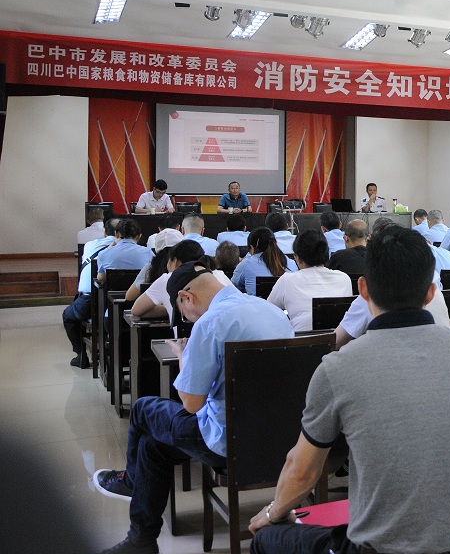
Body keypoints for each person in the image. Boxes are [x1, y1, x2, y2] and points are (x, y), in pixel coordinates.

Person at [248, 227, 450, 554]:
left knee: (266, 539)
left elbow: (303, 471)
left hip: (380, 549)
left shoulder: (338, 367)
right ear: (431, 293)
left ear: (362, 288)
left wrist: (272, 513)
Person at [93, 262, 293, 554]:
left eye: (183, 312)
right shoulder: (271, 311)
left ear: (186, 297)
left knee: (142, 409)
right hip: (280, 437)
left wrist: (183, 356)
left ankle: (132, 486)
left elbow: (191, 403)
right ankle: (140, 537)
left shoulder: (211, 323)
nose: (187, 319)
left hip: (228, 442)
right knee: (151, 447)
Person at [267, 230, 353, 332]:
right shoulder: (344, 279)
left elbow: (267, 311)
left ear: (298, 258)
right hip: (337, 340)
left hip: (301, 340)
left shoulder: (287, 280)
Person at [62, 218, 120, 366]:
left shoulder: (90, 245)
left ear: (105, 233)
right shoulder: (133, 250)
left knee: (68, 316)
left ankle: (80, 355)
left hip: (90, 303)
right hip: (120, 304)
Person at [131, 241, 232, 322]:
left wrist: (170, 308)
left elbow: (136, 310)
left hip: (186, 340)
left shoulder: (167, 279)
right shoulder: (220, 275)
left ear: (174, 262)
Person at [230, 227, 296, 295]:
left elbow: (232, 288)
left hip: (255, 301)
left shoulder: (245, 265)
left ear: (252, 248)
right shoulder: (291, 263)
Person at [96, 219, 153, 285]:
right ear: (139, 236)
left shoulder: (103, 254)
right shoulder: (148, 252)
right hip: (139, 291)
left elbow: (101, 278)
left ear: (116, 234)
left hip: (114, 291)